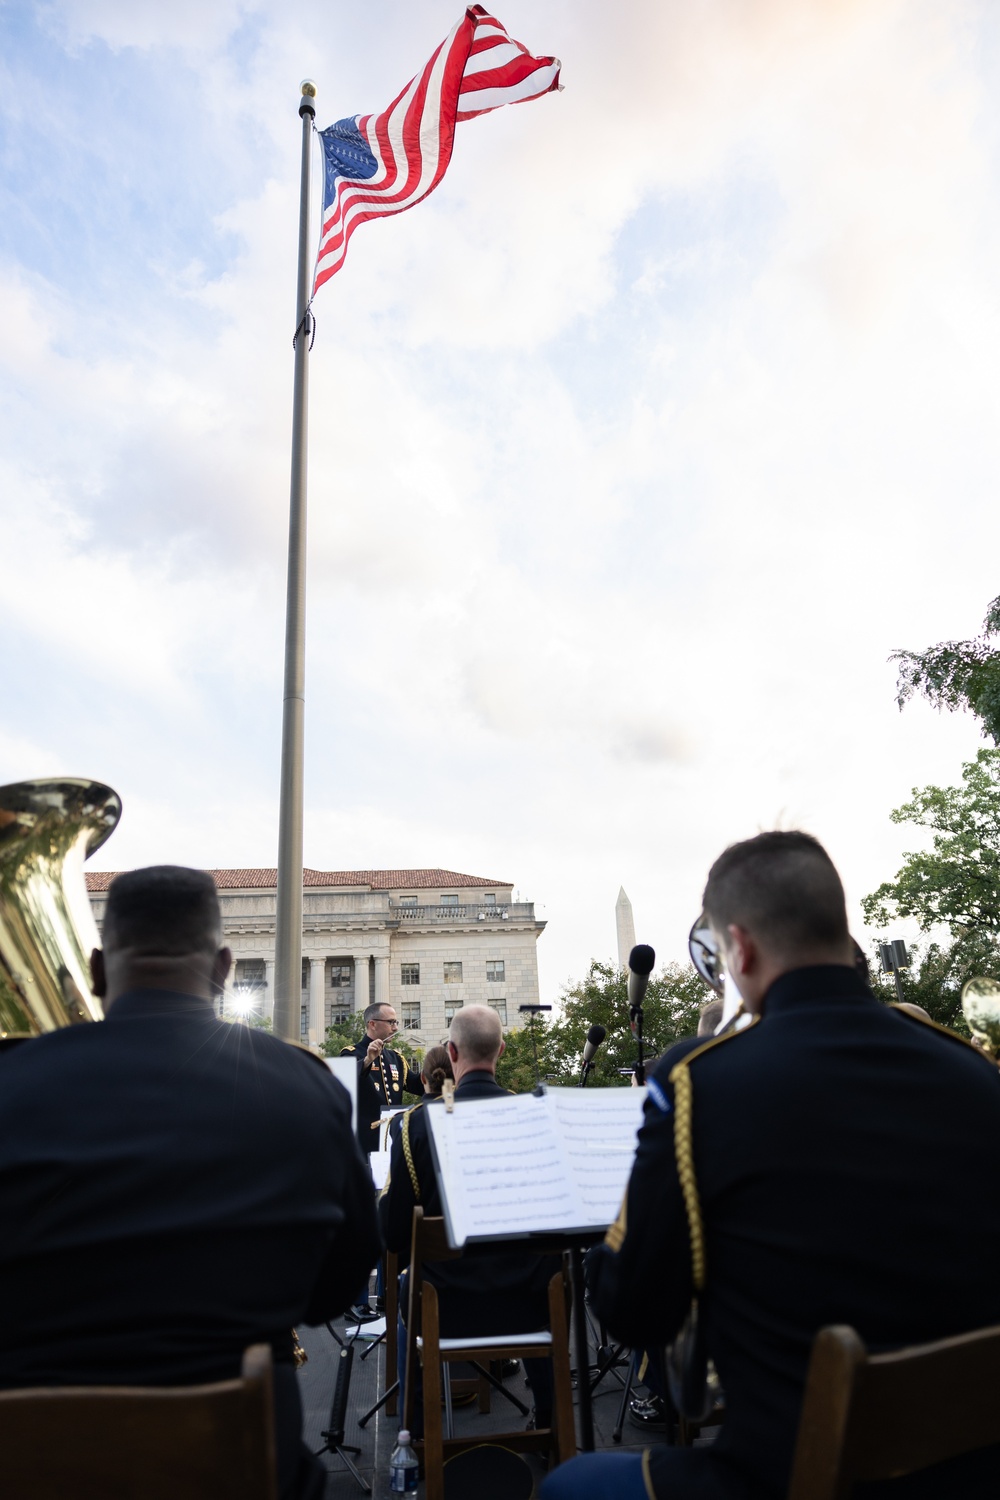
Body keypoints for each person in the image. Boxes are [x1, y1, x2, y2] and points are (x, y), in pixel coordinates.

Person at [542, 830, 1000, 1500]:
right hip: (973, 1466)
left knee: (569, 1485)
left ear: (742, 947)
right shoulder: (972, 1070)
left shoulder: (699, 1083)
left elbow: (634, 1311)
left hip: (786, 1473)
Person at [0, 866, 380, 1500]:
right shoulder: (304, 1086)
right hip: (244, 1467)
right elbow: (336, 1287)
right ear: (225, 967)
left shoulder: (11, 1083)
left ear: (96, 970)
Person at [380, 1005, 558, 1435]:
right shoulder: (536, 1115)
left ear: (452, 1051)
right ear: (501, 1050)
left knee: (406, 1290)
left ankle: (415, 1434)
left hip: (444, 1304)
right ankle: (551, 1420)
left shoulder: (413, 1125)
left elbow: (393, 1233)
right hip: (530, 1302)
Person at [340, 1000, 424, 1154]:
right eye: (391, 1022)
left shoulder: (396, 1058)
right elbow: (344, 1082)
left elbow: (419, 1086)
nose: (395, 1027)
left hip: (393, 1139)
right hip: (365, 1143)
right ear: (372, 1024)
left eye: (396, 1022)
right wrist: (367, 1060)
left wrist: (437, 1066)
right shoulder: (351, 1053)